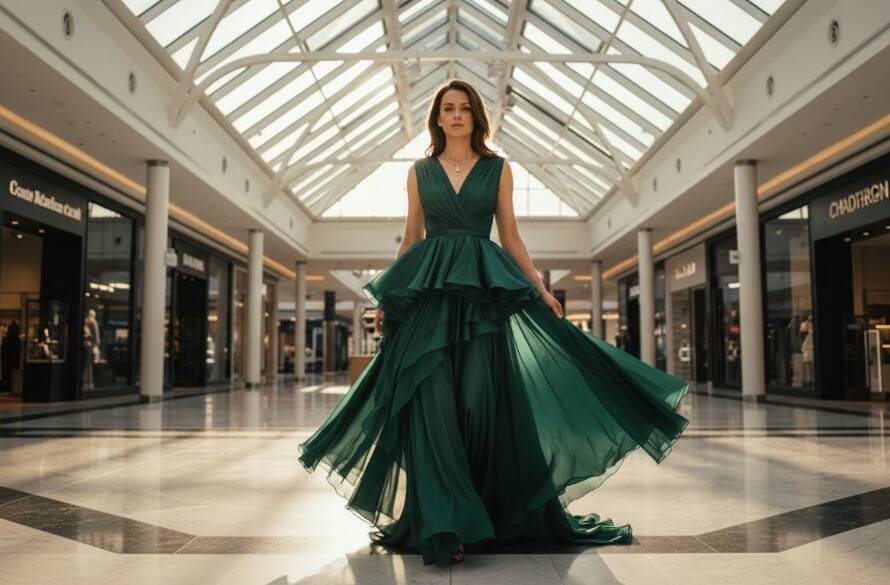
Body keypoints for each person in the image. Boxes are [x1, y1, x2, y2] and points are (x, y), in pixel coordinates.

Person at [298, 79, 690, 567]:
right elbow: (412, 238)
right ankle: (444, 524)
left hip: (482, 303)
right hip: (430, 302)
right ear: (437, 118)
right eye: (448, 108)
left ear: (476, 117)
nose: (456, 115)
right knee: (431, 408)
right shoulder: (419, 172)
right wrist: (390, 296)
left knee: (478, 405)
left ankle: (480, 511)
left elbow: (511, 236)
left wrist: (540, 289)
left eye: (464, 108)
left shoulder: (498, 169)